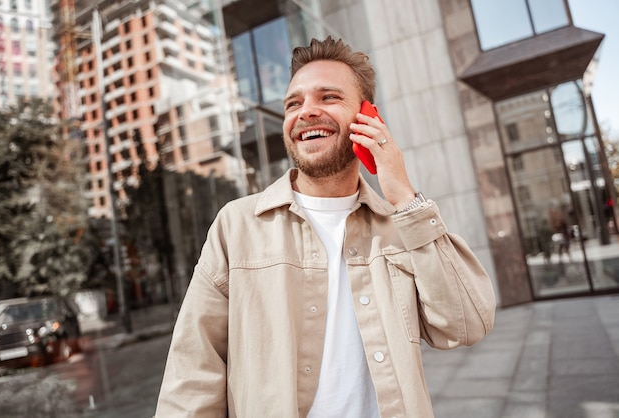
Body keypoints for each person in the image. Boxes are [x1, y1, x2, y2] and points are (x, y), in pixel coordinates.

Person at [155, 36, 496, 418]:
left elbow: (467, 324)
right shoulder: (235, 226)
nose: (306, 112)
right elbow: (192, 376)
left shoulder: (402, 224)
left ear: (368, 117)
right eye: (294, 103)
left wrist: (404, 196)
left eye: (328, 97)